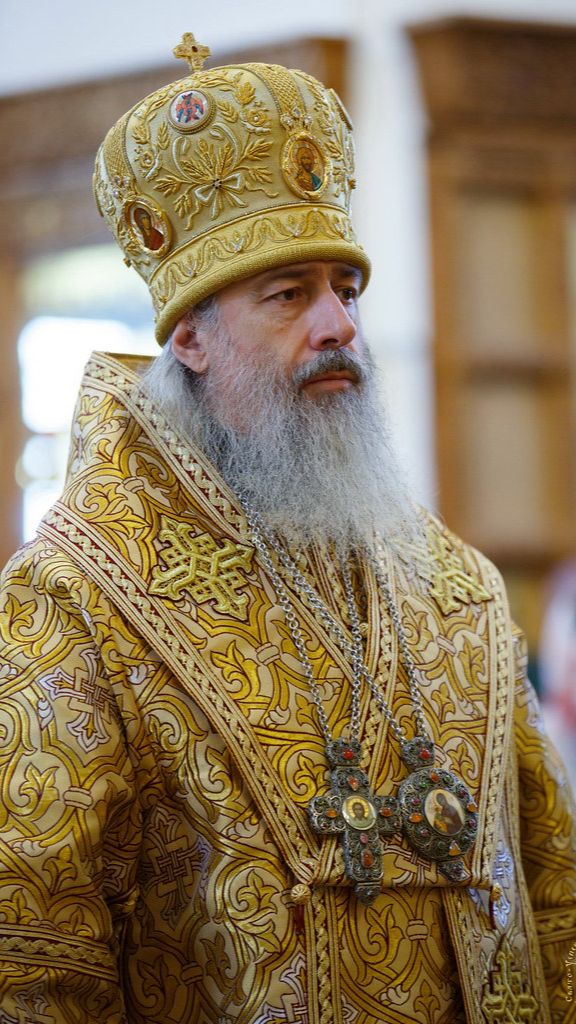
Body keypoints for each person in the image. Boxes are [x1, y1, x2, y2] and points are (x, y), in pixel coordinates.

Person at [1, 32, 575, 1024]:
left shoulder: (457, 588)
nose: (338, 325)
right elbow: (34, 958)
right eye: (289, 295)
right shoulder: (77, 600)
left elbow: (556, 895)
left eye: (344, 290)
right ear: (191, 338)